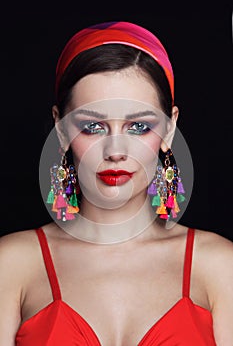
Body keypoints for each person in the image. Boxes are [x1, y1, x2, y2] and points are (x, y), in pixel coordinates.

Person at [0, 21, 232, 346]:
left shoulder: (220, 265)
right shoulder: (11, 263)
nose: (115, 151)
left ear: (169, 129)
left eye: (138, 127)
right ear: (62, 128)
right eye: (93, 126)